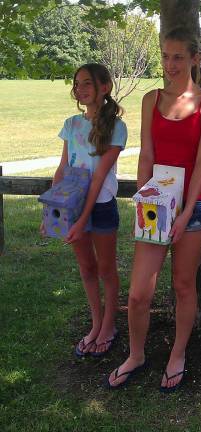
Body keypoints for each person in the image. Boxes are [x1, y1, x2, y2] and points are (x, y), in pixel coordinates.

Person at [107, 27, 201, 391]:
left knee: (184, 286)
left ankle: (178, 354)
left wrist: (186, 212)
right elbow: (148, 155)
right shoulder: (150, 98)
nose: (170, 64)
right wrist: (144, 201)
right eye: (166, 56)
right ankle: (136, 354)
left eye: (178, 57)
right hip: (156, 206)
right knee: (139, 292)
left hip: (194, 207)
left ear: (195, 59)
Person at [44, 63, 127, 358]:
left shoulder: (116, 127)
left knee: (106, 269)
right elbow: (63, 169)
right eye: (77, 84)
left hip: (100, 207)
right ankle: (95, 324)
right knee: (87, 268)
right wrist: (54, 212)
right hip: (71, 207)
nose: (80, 89)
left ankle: (108, 326)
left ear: (104, 87)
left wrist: (81, 219)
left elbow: (98, 178)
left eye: (87, 84)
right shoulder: (71, 124)